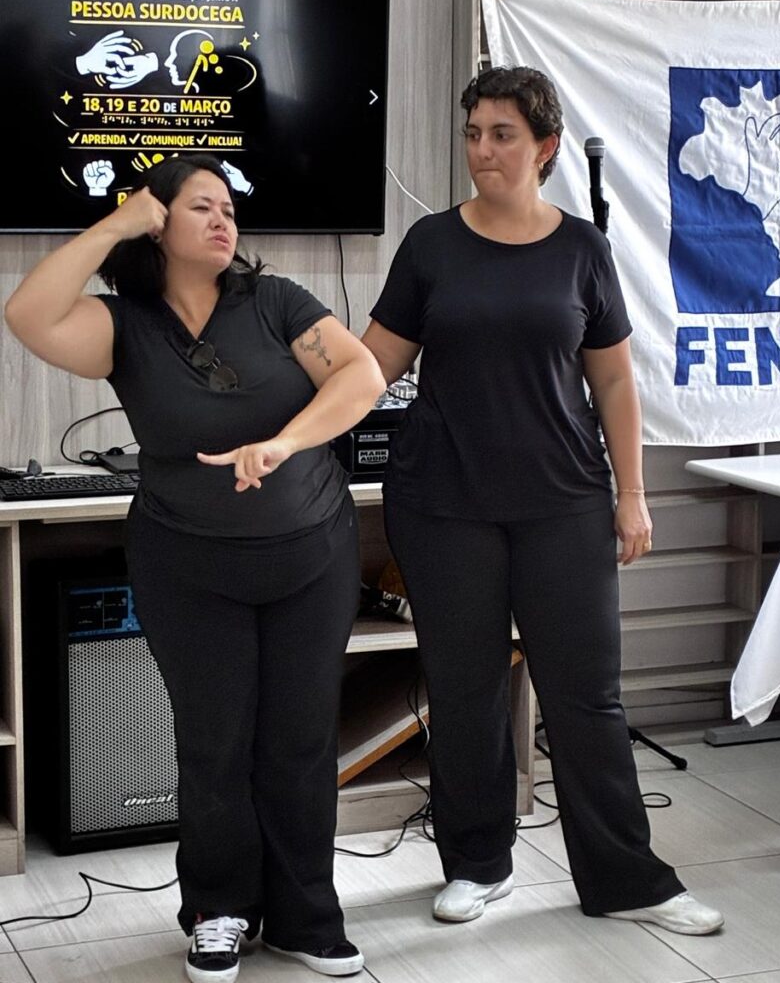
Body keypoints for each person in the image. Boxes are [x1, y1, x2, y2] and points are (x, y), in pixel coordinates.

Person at [361, 67, 724, 936]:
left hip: (564, 503)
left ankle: (626, 879)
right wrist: (284, 416)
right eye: (473, 133)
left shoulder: (582, 251)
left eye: (501, 135)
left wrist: (631, 495)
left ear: (545, 147)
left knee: (586, 696)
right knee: (464, 691)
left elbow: (614, 382)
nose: (482, 150)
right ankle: (477, 865)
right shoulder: (430, 246)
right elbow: (372, 366)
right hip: (444, 505)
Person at [4, 154, 385, 982]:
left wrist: (286, 440)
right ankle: (217, 912)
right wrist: (112, 222)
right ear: (158, 221)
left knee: (297, 743)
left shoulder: (277, 301)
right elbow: (28, 316)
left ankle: (305, 919)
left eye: (229, 209)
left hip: (310, 556)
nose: (224, 221)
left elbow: (361, 373)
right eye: (201, 207)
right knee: (213, 745)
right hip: (188, 565)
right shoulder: (123, 323)